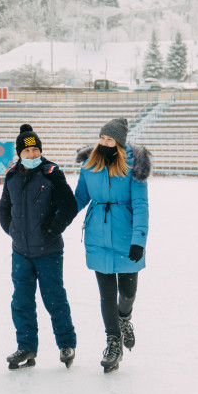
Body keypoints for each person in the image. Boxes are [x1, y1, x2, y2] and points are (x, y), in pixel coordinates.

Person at [0, 124, 79, 370]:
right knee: (21, 300)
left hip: (48, 250)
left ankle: (66, 344)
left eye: (35, 150)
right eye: (27, 151)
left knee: (54, 298)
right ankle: (26, 347)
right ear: (19, 153)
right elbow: (3, 207)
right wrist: (12, 230)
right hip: (20, 251)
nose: (32, 154)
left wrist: (52, 230)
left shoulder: (51, 173)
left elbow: (69, 206)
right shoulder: (12, 175)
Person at [74, 117, 151, 374]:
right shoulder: (90, 164)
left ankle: (124, 318)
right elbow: (80, 197)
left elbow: (140, 205)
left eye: (110, 139)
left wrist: (138, 240)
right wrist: (59, 218)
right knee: (106, 295)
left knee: (127, 294)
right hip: (97, 236)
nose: (105, 143)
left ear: (119, 143)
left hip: (126, 237)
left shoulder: (134, 166)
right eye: (102, 138)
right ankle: (113, 342)